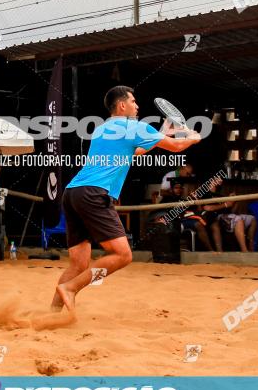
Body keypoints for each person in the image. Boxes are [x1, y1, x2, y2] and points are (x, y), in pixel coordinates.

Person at [52, 86, 201, 312]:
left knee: (79, 264)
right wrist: (192, 137)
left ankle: (52, 313)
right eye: (133, 101)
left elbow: (134, 151)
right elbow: (177, 147)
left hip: (73, 193)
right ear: (122, 105)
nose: (137, 106)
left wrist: (162, 132)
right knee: (122, 255)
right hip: (94, 193)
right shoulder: (134, 126)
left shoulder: (102, 129)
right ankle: (71, 289)